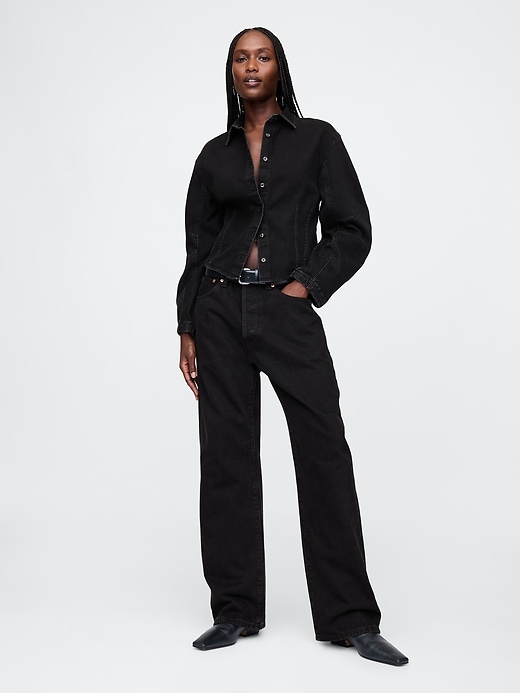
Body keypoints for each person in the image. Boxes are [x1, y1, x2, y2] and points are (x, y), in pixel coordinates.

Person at [177, 27, 408, 666]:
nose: (252, 66)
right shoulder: (213, 156)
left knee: (324, 452)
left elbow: (352, 228)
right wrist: (187, 326)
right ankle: (234, 610)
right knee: (226, 459)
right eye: (241, 57)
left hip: (286, 310)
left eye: (263, 56)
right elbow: (197, 248)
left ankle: (350, 618)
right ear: (230, 71)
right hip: (218, 309)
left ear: (280, 67)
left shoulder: (317, 140)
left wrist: (305, 284)